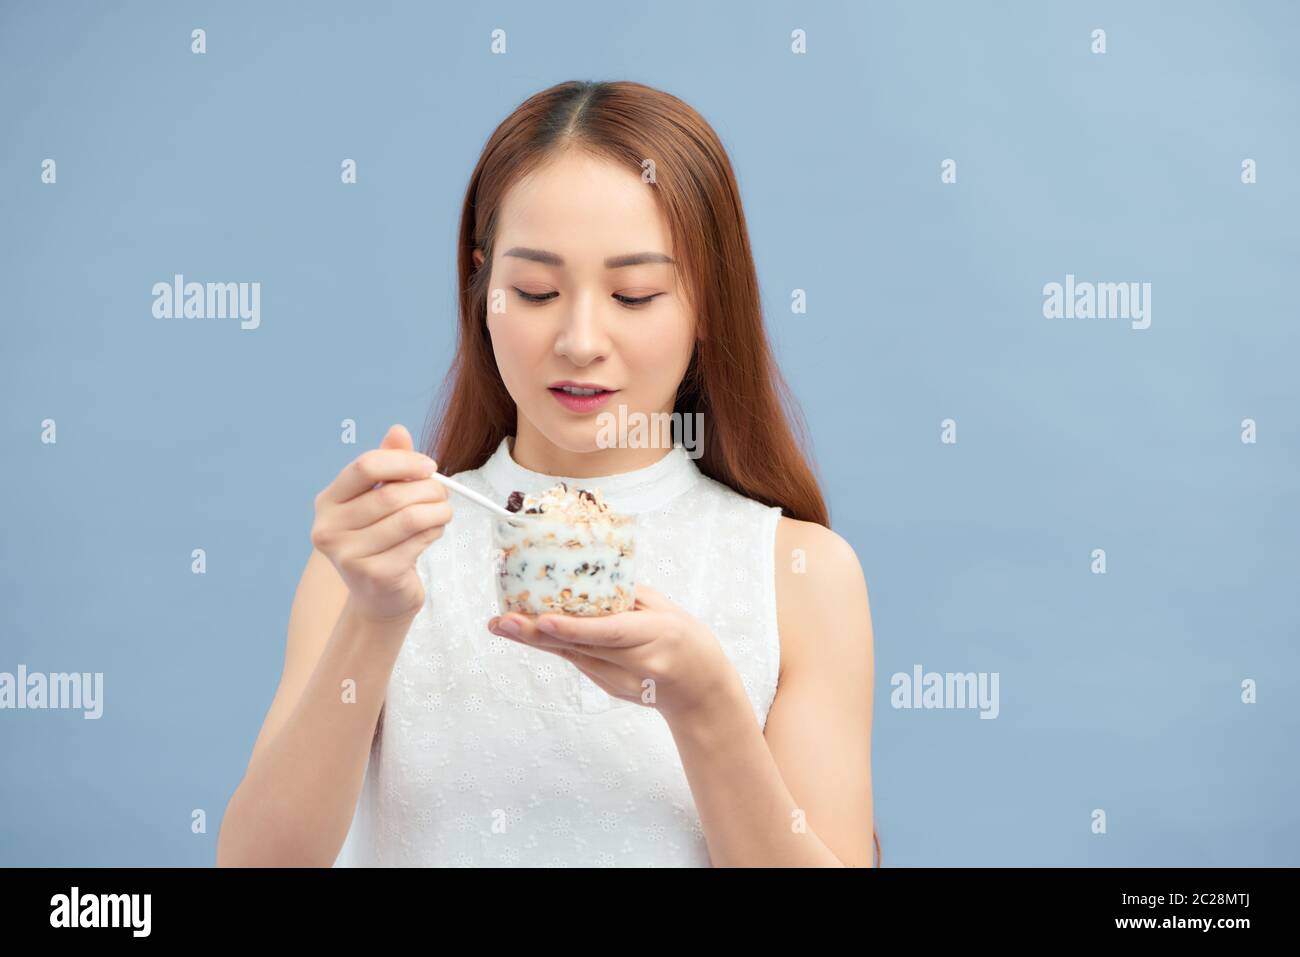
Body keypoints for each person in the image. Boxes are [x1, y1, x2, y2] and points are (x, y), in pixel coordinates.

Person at [217, 80, 878, 867]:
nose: (580, 339)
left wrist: (705, 709)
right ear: (481, 281)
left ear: (707, 300)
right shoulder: (381, 557)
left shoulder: (801, 576)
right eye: (536, 290)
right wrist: (375, 616)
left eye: (635, 294)